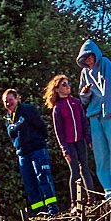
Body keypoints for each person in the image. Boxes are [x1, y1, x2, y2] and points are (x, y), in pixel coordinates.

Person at [77, 38, 111, 192]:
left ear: (95, 54)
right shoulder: (84, 73)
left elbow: (110, 87)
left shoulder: (105, 63)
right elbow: (83, 98)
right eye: (84, 59)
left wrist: (108, 109)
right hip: (94, 115)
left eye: (89, 56)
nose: (88, 60)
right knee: (101, 153)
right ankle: (109, 189)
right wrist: (85, 93)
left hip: (110, 112)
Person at [0, 88, 58, 216]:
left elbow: (41, 126)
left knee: (43, 179)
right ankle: (38, 211)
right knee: (30, 185)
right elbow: (12, 135)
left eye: (11, 100)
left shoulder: (27, 110)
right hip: (23, 154)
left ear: (17, 99)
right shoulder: (8, 119)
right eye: (6, 101)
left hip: (37, 149)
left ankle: (52, 209)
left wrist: (39, 140)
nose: (8, 103)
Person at [44, 74, 97, 203]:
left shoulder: (76, 102)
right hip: (69, 143)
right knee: (75, 171)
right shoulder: (57, 108)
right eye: (64, 84)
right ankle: (75, 201)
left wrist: (89, 139)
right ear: (56, 89)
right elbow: (59, 132)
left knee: (85, 168)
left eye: (68, 83)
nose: (67, 86)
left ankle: (92, 198)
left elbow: (84, 121)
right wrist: (64, 150)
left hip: (80, 141)